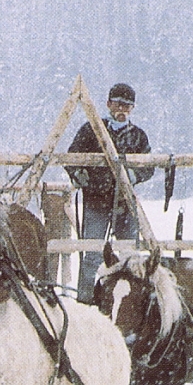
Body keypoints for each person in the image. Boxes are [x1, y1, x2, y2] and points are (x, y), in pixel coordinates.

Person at [66, 83, 154, 303]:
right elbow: (71, 156)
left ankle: (129, 304)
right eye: (118, 104)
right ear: (108, 104)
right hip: (96, 201)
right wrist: (78, 173)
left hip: (125, 204)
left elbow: (148, 165)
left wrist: (134, 175)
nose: (122, 109)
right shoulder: (92, 130)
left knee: (129, 256)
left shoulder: (138, 137)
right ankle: (85, 302)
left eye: (127, 105)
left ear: (132, 109)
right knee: (92, 255)